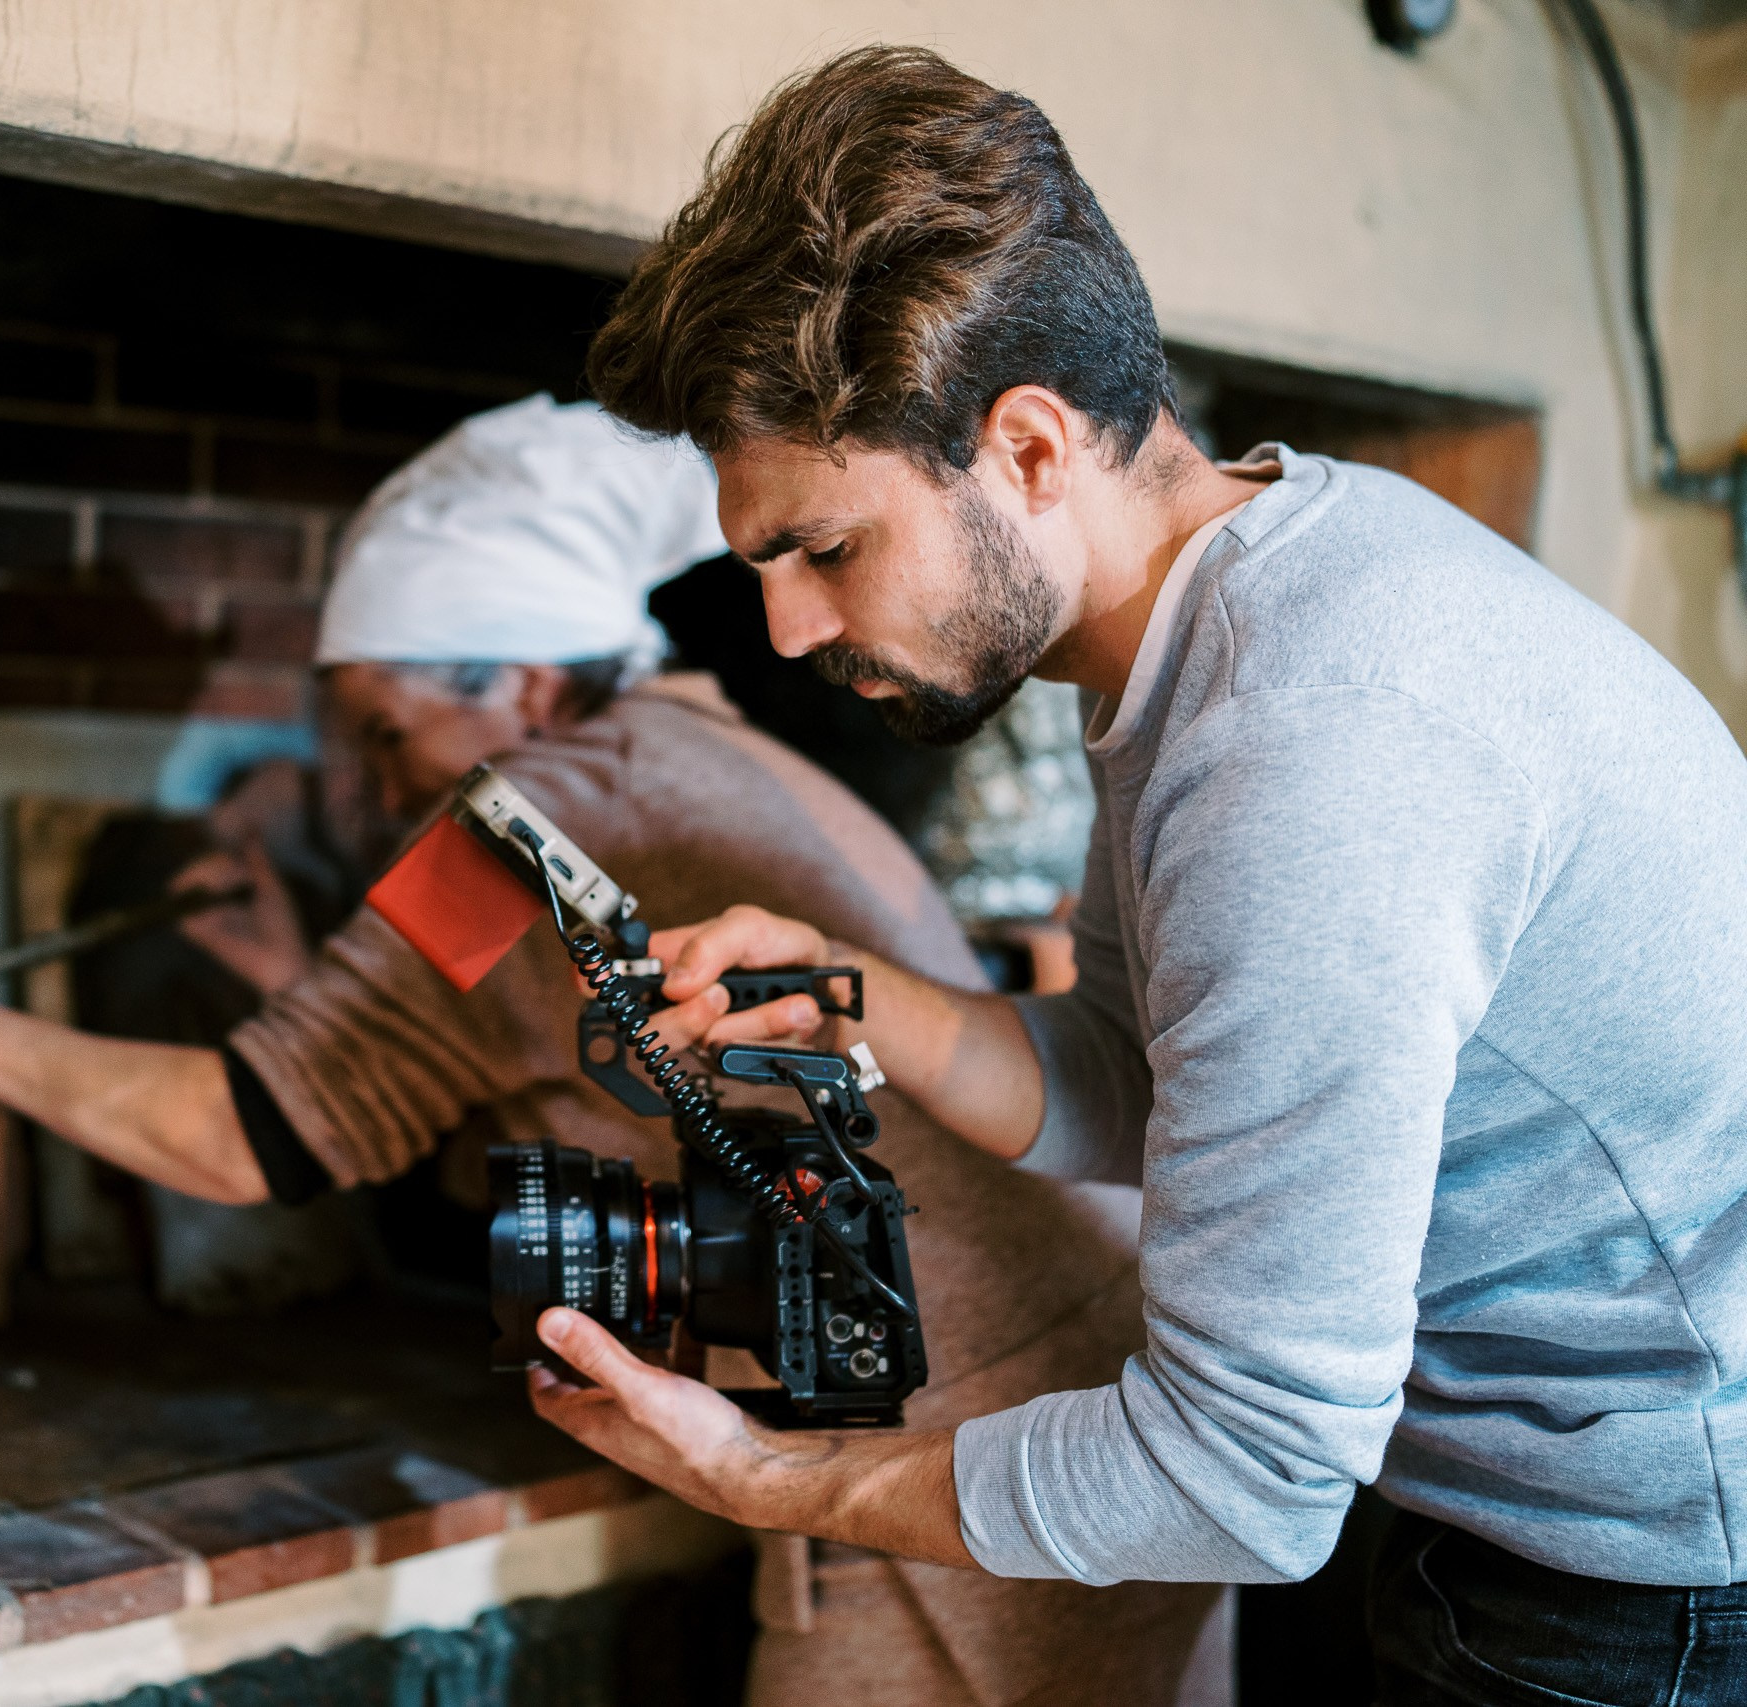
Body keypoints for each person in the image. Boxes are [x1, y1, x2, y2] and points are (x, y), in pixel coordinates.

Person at [525, 44, 1747, 1705]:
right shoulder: (1229, 602)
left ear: (1028, 446)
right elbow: (1135, 1084)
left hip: (1639, 1582)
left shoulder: (1307, 744)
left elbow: (1239, 1470)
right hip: (1485, 1499)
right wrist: (853, 993)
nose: (791, 630)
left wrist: (770, 1482)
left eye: (825, 546)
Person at [0, 394, 1218, 1706]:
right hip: (1091, 1397)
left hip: (942, 1478)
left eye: (385, 730)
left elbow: (245, 1132)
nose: (379, 784)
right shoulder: (690, 743)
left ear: (529, 689)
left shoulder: (516, 827)